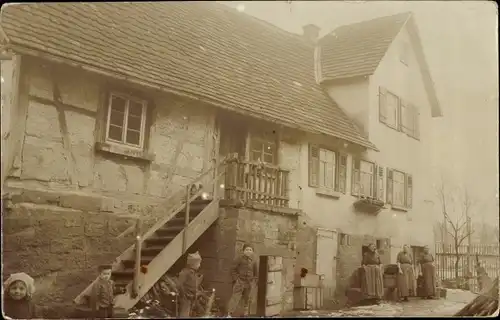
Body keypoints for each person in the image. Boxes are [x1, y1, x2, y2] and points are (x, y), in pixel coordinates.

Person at [227, 243, 258, 317]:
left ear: (252, 252)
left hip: (249, 283)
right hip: (240, 282)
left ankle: (245, 314)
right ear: (243, 251)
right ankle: (229, 314)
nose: (248, 251)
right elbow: (233, 270)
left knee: (247, 299)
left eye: (250, 250)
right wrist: (236, 279)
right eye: (247, 249)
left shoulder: (254, 261)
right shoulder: (239, 259)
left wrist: (254, 282)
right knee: (235, 298)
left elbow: (255, 273)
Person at [178, 251, 202, 317]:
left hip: (192, 297)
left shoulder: (193, 273)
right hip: (186, 297)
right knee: (184, 313)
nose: (199, 265)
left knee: (189, 313)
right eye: (198, 263)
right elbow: (180, 284)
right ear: (193, 264)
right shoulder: (185, 272)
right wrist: (184, 294)